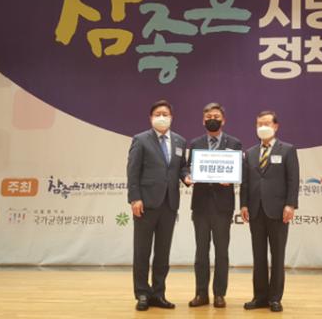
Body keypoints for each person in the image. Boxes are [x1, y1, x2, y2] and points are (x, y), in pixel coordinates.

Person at [127, 99, 191, 311]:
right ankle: (142, 294)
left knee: (163, 253)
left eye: (165, 114)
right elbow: (133, 171)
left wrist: (187, 176)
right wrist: (135, 198)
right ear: (151, 118)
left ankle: (158, 293)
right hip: (145, 203)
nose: (161, 117)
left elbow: (182, 167)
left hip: (169, 204)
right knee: (142, 252)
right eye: (157, 114)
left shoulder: (180, 141)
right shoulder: (141, 140)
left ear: (172, 117)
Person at [240, 110, 299, 313]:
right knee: (258, 256)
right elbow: (245, 182)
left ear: (276, 126)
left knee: (277, 255)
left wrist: (290, 204)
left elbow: (293, 179)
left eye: (266, 123)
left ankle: (275, 298)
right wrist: (243, 204)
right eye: (259, 124)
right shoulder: (250, 153)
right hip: (255, 210)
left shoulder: (287, 150)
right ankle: (260, 297)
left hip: (278, 211)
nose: (262, 127)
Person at [186, 102, 242, 308]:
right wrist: (187, 177)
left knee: (221, 252)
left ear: (223, 120)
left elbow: (241, 169)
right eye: (209, 116)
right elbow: (186, 168)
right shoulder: (195, 143)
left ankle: (219, 294)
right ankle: (201, 294)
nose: (213, 119)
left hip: (223, 206)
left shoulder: (234, 143)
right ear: (203, 120)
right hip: (200, 205)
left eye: (216, 117)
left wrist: (233, 178)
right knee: (201, 252)